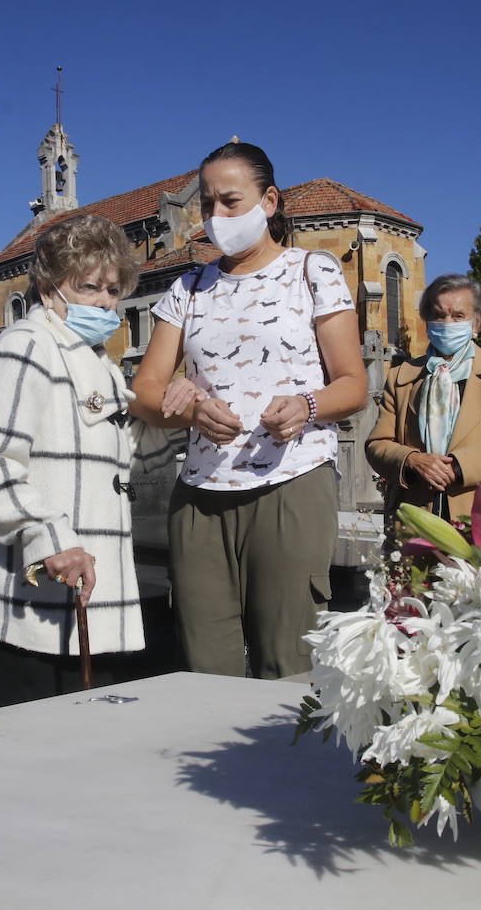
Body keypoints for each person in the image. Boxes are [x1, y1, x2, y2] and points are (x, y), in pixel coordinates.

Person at [0, 214, 184, 710]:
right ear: (48, 289)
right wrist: (49, 539)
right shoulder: (24, 347)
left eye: (113, 290)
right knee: (20, 749)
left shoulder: (97, 364)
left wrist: (180, 415)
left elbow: (120, 456)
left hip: (81, 591)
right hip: (29, 599)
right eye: (89, 287)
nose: (106, 302)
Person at [130, 141, 366, 680]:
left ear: (270, 200)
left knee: (288, 660)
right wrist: (186, 410)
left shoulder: (314, 272)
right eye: (208, 205)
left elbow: (352, 385)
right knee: (203, 660)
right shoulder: (188, 288)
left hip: (290, 480)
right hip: (200, 492)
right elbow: (145, 390)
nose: (217, 217)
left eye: (231, 202)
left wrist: (307, 405)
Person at [365, 274, 481, 521]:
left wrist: (458, 466)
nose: (447, 322)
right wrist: (412, 460)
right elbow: (377, 444)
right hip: (415, 515)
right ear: (428, 322)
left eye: (458, 316)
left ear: (476, 323)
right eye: (439, 315)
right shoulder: (402, 377)